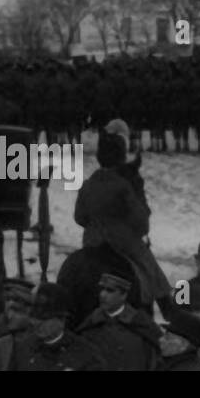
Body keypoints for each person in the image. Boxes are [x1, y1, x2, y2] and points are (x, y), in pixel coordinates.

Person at [73, 131, 172, 314]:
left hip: (91, 242)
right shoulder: (124, 185)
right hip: (122, 243)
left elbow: (79, 217)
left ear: (99, 157)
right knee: (150, 266)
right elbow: (141, 224)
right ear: (121, 157)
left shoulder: (87, 184)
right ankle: (169, 308)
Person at [75, 270, 162, 371]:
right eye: (102, 289)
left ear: (123, 295)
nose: (102, 295)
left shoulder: (142, 325)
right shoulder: (89, 326)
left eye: (110, 290)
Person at [6, 284, 105, 371]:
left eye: (45, 319)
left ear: (62, 320)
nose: (37, 323)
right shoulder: (23, 349)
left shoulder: (86, 354)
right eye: (34, 318)